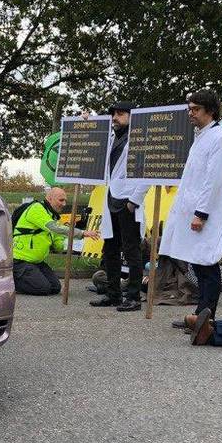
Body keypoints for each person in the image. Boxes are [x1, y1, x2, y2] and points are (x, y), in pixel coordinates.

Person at [160, 90, 222, 331]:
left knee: (207, 264)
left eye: (196, 109)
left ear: (210, 111)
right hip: (191, 211)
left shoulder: (220, 138)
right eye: (189, 109)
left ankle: (206, 317)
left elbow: (213, 180)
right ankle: (199, 314)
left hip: (205, 215)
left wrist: (201, 213)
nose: (191, 113)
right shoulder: (200, 137)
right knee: (199, 265)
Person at [93, 101, 148, 311]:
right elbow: (95, 137)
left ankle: (133, 297)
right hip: (111, 199)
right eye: (114, 114)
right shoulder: (113, 137)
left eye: (120, 114)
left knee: (132, 250)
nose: (115, 117)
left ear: (132, 116)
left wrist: (134, 201)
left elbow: (147, 171)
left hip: (127, 201)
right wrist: (87, 120)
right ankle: (113, 294)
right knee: (111, 249)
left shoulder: (138, 139)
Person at [12, 187, 98, 295]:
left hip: (37, 263)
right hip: (21, 261)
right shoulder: (36, 208)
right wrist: (82, 233)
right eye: (61, 200)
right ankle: (10, 282)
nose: (64, 204)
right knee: (43, 289)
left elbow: (58, 244)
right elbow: (54, 228)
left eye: (65, 200)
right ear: (50, 198)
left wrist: (76, 245)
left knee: (55, 287)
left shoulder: (53, 217)